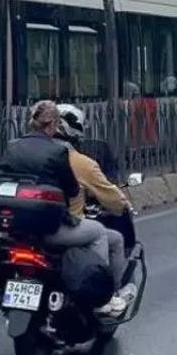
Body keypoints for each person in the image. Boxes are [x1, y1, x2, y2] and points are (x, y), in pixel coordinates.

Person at [0, 100, 128, 317]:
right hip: (53, 228)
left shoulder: (14, 146)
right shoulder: (62, 155)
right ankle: (100, 297)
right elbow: (72, 190)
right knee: (100, 233)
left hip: (18, 228)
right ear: (54, 125)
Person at [55, 104, 138, 314]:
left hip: (24, 228)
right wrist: (123, 205)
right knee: (108, 236)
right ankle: (104, 295)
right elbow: (111, 197)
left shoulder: (27, 154)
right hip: (60, 227)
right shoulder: (79, 162)